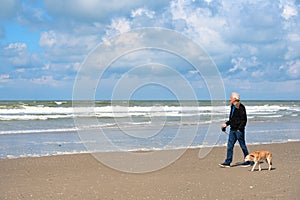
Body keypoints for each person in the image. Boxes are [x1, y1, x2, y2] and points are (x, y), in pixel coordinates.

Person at [219, 92, 251, 168]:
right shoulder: (232, 107)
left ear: (235, 99)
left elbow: (244, 120)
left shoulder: (241, 107)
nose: (230, 99)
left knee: (242, 146)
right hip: (232, 130)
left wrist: (239, 129)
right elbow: (232, 119)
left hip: (238, 131)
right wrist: (226, 124)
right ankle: (227, 162)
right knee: (230, 146)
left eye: (231, 97)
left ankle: (248, 161)